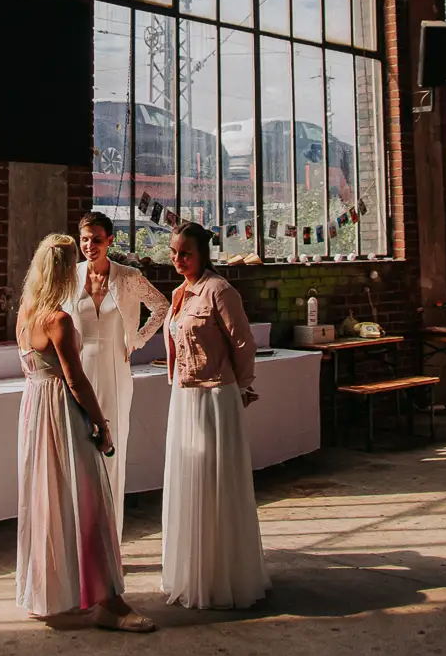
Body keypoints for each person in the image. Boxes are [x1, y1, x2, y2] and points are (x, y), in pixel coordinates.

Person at [15, 231, 155, 632]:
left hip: (35, 414)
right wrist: (101, 424)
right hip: (61, 413)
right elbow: (75, 380)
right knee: (90, 502)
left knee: (48, 503)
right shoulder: (56, 320)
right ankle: (109, 603)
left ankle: (48, 593)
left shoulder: (26, 313)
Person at [161, 221, 270, 611]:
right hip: (184, 396)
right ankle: (192, 570)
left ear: (203, 253)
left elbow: (244, 342)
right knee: (189, 479)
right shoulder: (178, 294)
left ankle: (223, 573)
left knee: (214, 481)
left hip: (214, 397)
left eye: (185, 253)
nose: (177, 260)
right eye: (173, 253)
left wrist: (240, 387)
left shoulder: (220, 290)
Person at [73, 211, 169, 536]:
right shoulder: (71, 277)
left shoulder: (127, 276)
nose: (89, 246)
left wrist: (138, 339)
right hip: (78, 368)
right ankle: (82, 538)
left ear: (109, 241)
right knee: (79, 450)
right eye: (84, 239)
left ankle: (110, 539)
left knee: (112, 449)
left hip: (116, 368)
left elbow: (162, 307)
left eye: (96, 239)